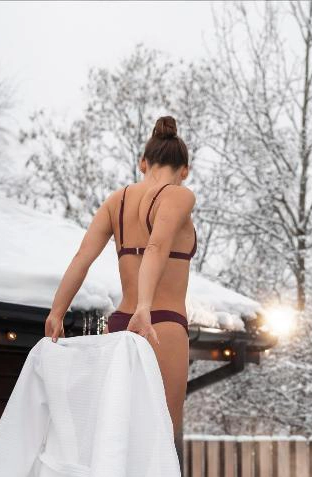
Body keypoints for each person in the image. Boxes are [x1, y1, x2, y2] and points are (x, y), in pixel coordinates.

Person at [45, 115, 198, 458]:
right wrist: (145, 307)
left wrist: (57, 310)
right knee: (162, 438)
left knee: (115, 434)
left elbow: (83, 256)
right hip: (161, 323)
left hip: (119, 325)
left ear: (142, 162)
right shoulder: (179, 196)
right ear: (184, 170)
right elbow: (157, 247)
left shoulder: (117, 200)